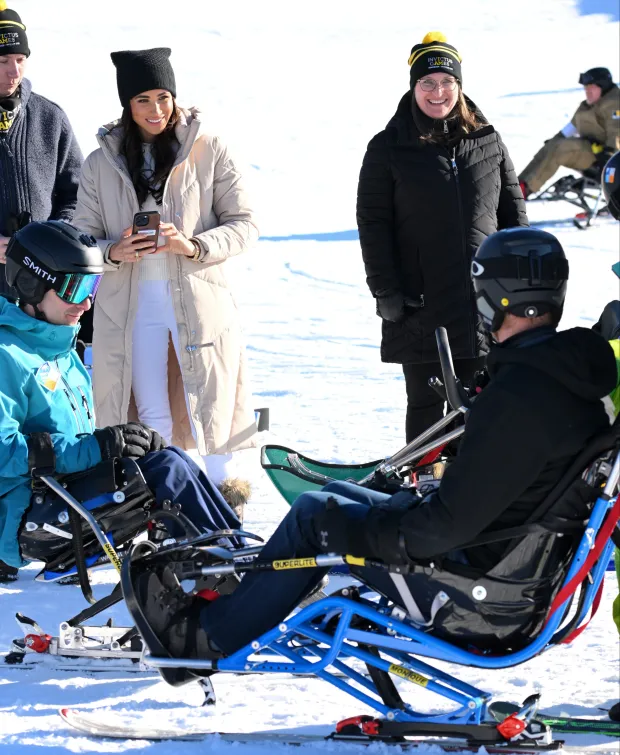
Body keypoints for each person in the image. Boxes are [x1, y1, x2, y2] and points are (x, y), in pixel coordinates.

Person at [127, 227, 616, 663]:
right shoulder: (569, 383)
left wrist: (370, 532)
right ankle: (244, 603)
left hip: (476, 597)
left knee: (317, 517)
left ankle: (203, 639)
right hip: (501, 572)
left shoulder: (519, 399)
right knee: (347, 501)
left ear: (496, 298)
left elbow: (438, 531)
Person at [0, 221, 242, 581]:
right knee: (164, 471)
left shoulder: (62, 350)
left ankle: (239, 553)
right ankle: (223, 571)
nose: (85, 303)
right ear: (32, 284)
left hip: (60, 495)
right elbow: (4, 450)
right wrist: (100, 447)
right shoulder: (8, 355)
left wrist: (126, 444)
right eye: (74, 287)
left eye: (91, 287)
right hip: (25, 518)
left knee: (168, 457)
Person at [72, 48, 258, 514]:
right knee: (147, 409)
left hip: (200, 301)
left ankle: (226, 505)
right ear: (126, 106)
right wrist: (114, 251)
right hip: (130, 306)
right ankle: (164, 507)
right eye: (143, 101)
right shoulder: (100, 163)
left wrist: (192, 245)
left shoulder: (209, 147)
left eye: (163, 97)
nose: (156, 110)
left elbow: (245, 224)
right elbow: (81, 238)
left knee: (213, 408)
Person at [356, 32, 528, 443]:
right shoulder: (388, 148)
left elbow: (513, 214)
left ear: (460, 86)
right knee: (427, 406)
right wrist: (386, 291)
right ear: (414, 86)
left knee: (485, 405)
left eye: (447, 82)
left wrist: (521, 284)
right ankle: (421, 488)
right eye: (427, 83)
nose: (438, 92)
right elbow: (372, 224)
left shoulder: (487, 140)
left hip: (485, 303)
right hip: (421, 306)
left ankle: (477, 492)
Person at [0, 1, 83, 301]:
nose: (14, 71)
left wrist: (51, 241)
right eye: (3, 60)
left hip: (40, 293)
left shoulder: (50, 118)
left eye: (21, 59)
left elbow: (77, 195)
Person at [518, 68, 620, 198]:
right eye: (585, 88)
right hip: (589, 151)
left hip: (605, 160)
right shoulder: (586, 106)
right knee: (552, 145)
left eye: (591, 88)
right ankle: (516, 186)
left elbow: (616, 133)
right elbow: (569, 129)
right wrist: (553, 143)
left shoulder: (614, 104)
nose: (587, 92)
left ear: (603, 87)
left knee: (562, 148)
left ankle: (526, 188)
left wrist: (608, 157)